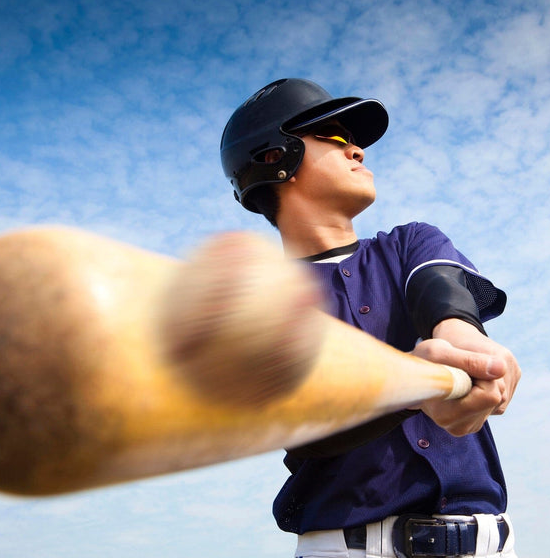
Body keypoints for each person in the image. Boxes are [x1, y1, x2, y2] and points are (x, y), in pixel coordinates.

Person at [220, 78, 521, 558]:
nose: (357, 150)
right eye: (334, 138)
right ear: (274, 158)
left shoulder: (409, 242)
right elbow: (306, 423)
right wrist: (414, 388)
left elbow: (442, 293)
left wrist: (463, 341)